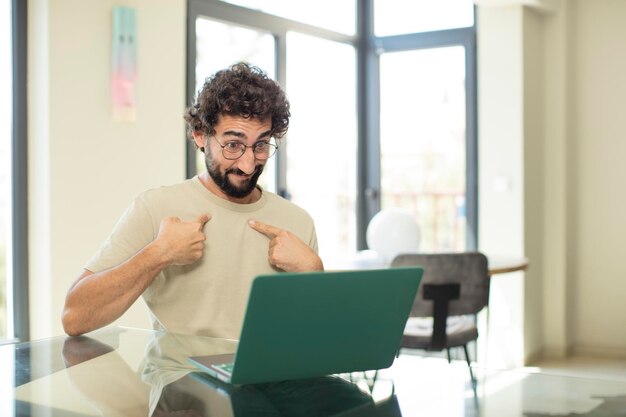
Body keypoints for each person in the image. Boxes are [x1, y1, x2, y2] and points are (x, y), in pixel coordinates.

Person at [62, 63, 323, 339]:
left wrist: (314, 273)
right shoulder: (157, 208)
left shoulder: (298, 222)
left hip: (274, 378)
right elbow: (74, 317)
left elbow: (318, 336)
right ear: (200, 135)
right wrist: (159, 253)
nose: (248, 165)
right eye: (233, 144)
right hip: (184, 380)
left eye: (260, 145)